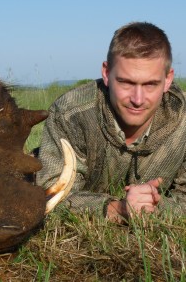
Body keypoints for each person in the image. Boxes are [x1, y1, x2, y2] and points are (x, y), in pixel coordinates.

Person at [36, 21, 186, 223]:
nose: (138, 99)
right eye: (126, 82)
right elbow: (51, 195)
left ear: (168, 79)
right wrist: (117, 209)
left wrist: (154, 207)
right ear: (106, 74)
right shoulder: (70, 114)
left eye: (151, 84)